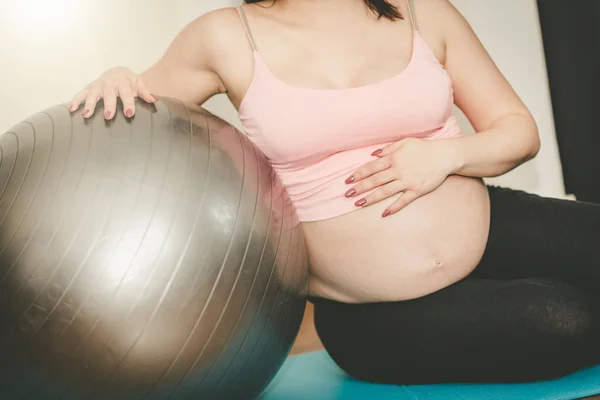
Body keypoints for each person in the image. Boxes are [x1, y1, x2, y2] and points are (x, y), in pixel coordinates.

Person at [70, 0, 600, 385]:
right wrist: (119, 74)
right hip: (365, 312)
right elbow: (140, 114)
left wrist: (444, 156)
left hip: (486, 225)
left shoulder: (422, 12)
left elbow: (517, 131)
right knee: (563, 320)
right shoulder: (224, 35)